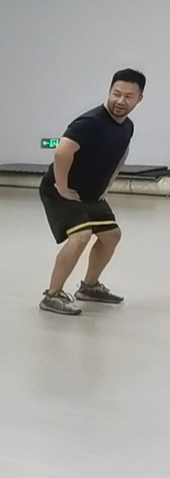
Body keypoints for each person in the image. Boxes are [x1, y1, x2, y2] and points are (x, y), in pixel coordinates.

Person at [38, 69, 146, 316]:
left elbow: (120, 155)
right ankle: (52, 295)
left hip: (90, 194)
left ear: (139, 98)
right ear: (109, 91)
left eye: (128, 96)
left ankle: (89, 287)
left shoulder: (127, 127)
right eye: (116, 93)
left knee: (111, 235)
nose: (121, 101)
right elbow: (62, 152)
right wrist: (62, 188)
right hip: (61, 189)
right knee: (81, 235)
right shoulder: (90, 122)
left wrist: (105, 187)